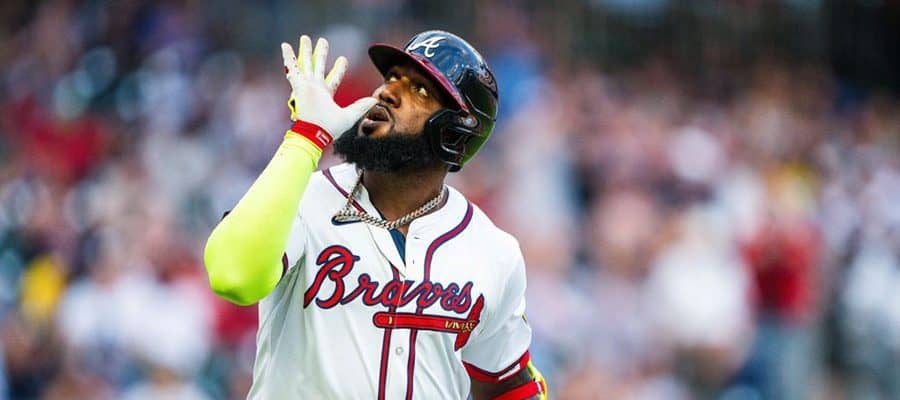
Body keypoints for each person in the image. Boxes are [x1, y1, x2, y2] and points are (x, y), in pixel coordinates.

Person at [204, 30, 547, 399]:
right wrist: (305, 136)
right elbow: (233, 277)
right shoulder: (301, 196)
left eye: (419, 91)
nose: (387, 92)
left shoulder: (492, 252)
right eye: (391, 78)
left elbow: (509, 385)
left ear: (455, 134)